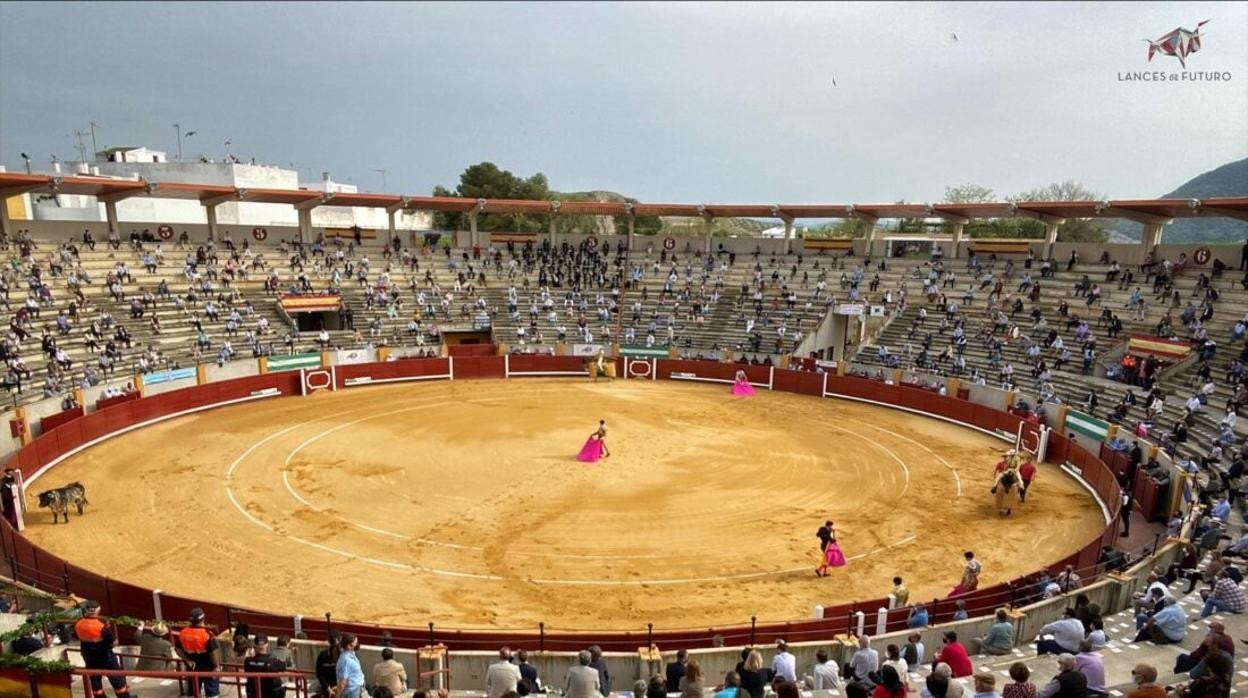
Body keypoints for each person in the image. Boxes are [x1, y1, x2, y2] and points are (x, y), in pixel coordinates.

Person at [74, 600, 131, 698]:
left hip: (89, 656)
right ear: (97, 611)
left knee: (95, 680)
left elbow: (77, 636)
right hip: (105, 657)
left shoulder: (78, 624)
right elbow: (113, 642)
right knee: (117, 679)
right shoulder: (100, 626)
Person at [175, 608, 221, 698]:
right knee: (212, 693)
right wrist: (216, 666)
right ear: (203, 619)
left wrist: (186, 660)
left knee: (193, 693)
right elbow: (213, 653)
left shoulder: (182, 633)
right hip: (208, 669)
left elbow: (177, 649)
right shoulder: (207, 634)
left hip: (192, 667)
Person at [334, 633, 365, 698]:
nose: (357, 644)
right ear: (349, 645)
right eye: (355, 643)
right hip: (351, 691)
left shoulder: (350, 653)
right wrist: (337, 695)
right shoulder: (345, 660)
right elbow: (343, 681)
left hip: (355, 688)